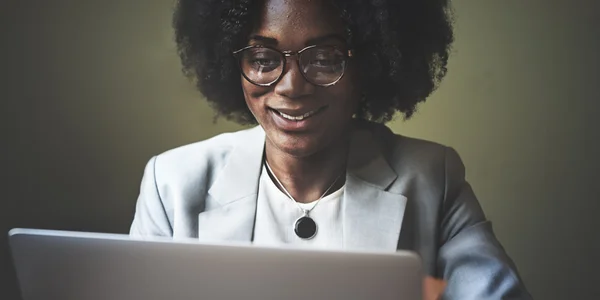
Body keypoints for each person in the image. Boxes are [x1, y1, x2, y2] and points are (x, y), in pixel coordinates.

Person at [129, 0, 532, 299]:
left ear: (370, 64)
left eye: (324, 58)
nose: (291, 86)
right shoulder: (172, 184)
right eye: (264, 58)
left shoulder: (431, 177)